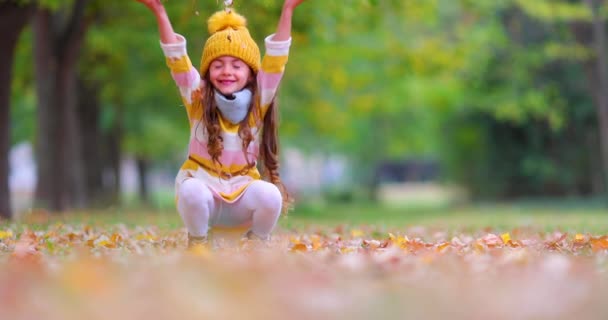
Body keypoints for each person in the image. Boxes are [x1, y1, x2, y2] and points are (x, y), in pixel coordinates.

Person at [135, 0, 309, 247]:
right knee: (190, 190)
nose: (227, 71)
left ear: (251, 74)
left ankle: (256, 244)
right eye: (218, 65)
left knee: (270, 195)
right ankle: (198, 242)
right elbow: (177, 59)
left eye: (236, 66)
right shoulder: (197, 97)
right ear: (207, 72)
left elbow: (276, 60)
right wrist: (160, 11)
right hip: (205, 199)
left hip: (242, 201)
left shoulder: (258, 102)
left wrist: (288, 9)